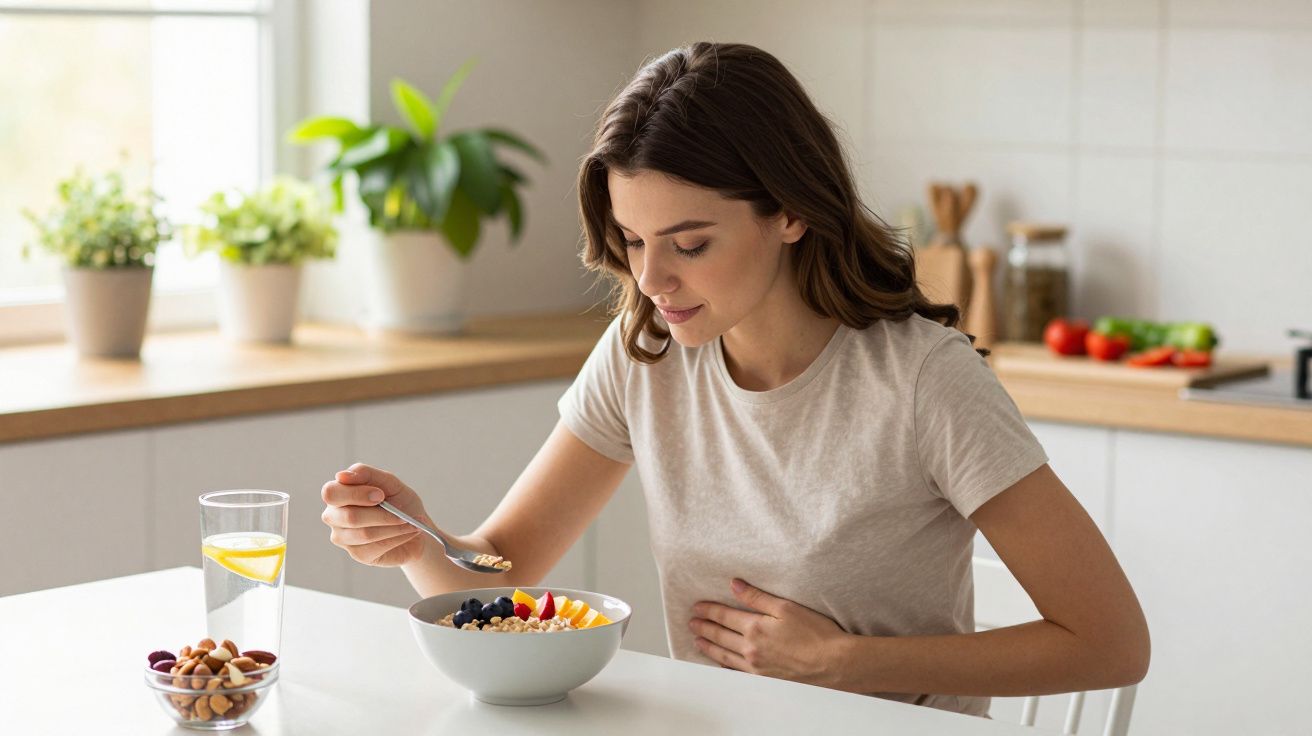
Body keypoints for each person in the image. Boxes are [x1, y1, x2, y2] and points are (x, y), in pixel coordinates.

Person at [320, 41, 1149, 717]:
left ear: (789, 211)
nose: (652, 280)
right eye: (634, 241)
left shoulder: (924, 383)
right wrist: (416, 540)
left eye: (690, 243)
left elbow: (1111, 639)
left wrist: (845, 662)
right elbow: (498, 573)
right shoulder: (645, 353)